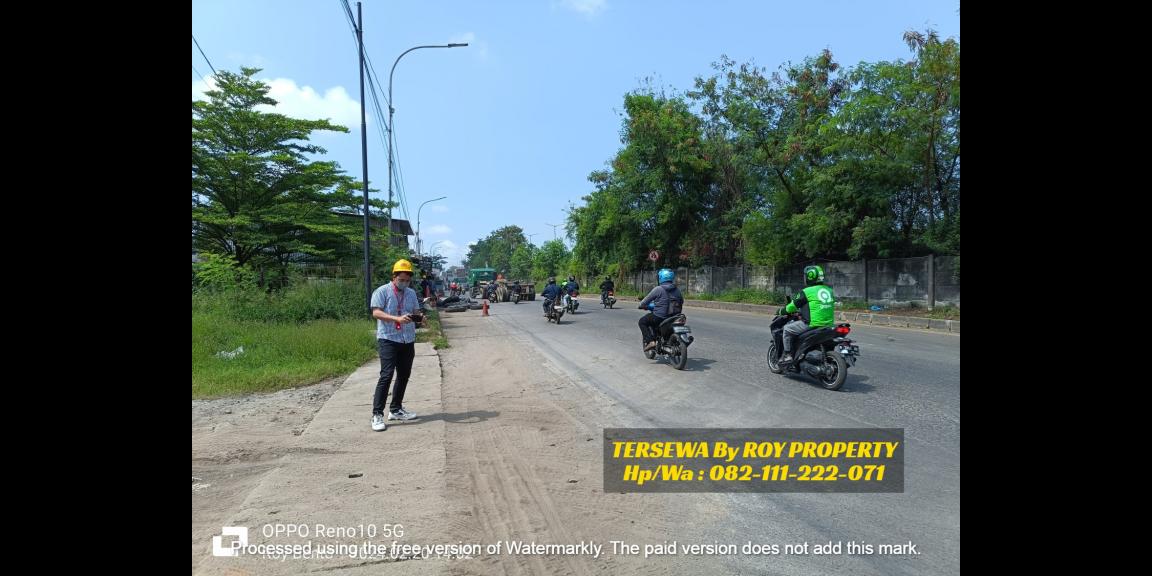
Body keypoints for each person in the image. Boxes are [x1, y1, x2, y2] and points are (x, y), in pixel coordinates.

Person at [368, 259, 422, 431]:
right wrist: (396, 319)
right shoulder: (382, 291)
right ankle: (377, 414)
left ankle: (396, 409)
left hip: (407, 339)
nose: (404, 283)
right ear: (394, 276)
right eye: (401, 280)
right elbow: (376, 312)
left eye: (407, 280)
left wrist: (420, 317)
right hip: (388, 339)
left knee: (404, 375)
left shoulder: (411, 293)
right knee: (386, 375)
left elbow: (415, 311)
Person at [779, 265, 836, 365]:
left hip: (813, 324)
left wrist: (781, 311)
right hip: (828, 324)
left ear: (810, 277)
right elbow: (818, 305)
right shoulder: (829, 290)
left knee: (787, 329)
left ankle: (788, 355)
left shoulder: (807, 291)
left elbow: (792, 306)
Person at [637, 268, 684, 351]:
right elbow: (681, 301)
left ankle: (651, 341)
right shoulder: (677, 290)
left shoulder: (658, 289)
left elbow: (644, 302)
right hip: (675, 316)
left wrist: (641, 305)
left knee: (642, 321)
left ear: (661, 278)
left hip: (660, 316)